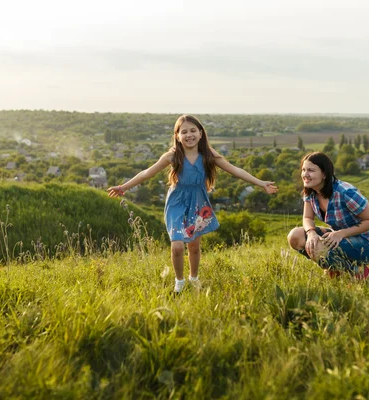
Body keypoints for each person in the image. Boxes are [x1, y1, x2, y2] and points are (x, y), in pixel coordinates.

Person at [108, 114, 278, 293]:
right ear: (177, 136)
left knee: (194, 247)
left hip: (198, 202)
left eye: (193, 131)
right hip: (177, 202)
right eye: (184, 132)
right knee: (178, 245)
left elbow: (235, 171)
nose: (189, 135)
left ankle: (194, 278)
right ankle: (179, 282)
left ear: (201, 133)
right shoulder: (172, 156)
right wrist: (123, 187)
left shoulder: (208, 155)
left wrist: (260, 183)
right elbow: (146, 173)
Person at [287, 151, 369, 280]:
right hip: (337, 238)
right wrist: (311, 233)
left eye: (311, 170)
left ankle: (358, 271)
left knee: (319, 247)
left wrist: (340, 233)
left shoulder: (345, 192)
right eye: (303, 170)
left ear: (324, 174)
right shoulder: (311, 191)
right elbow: (307, 218)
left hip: (366, 244)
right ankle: (335, 268)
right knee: (295, 237)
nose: (305, 174)